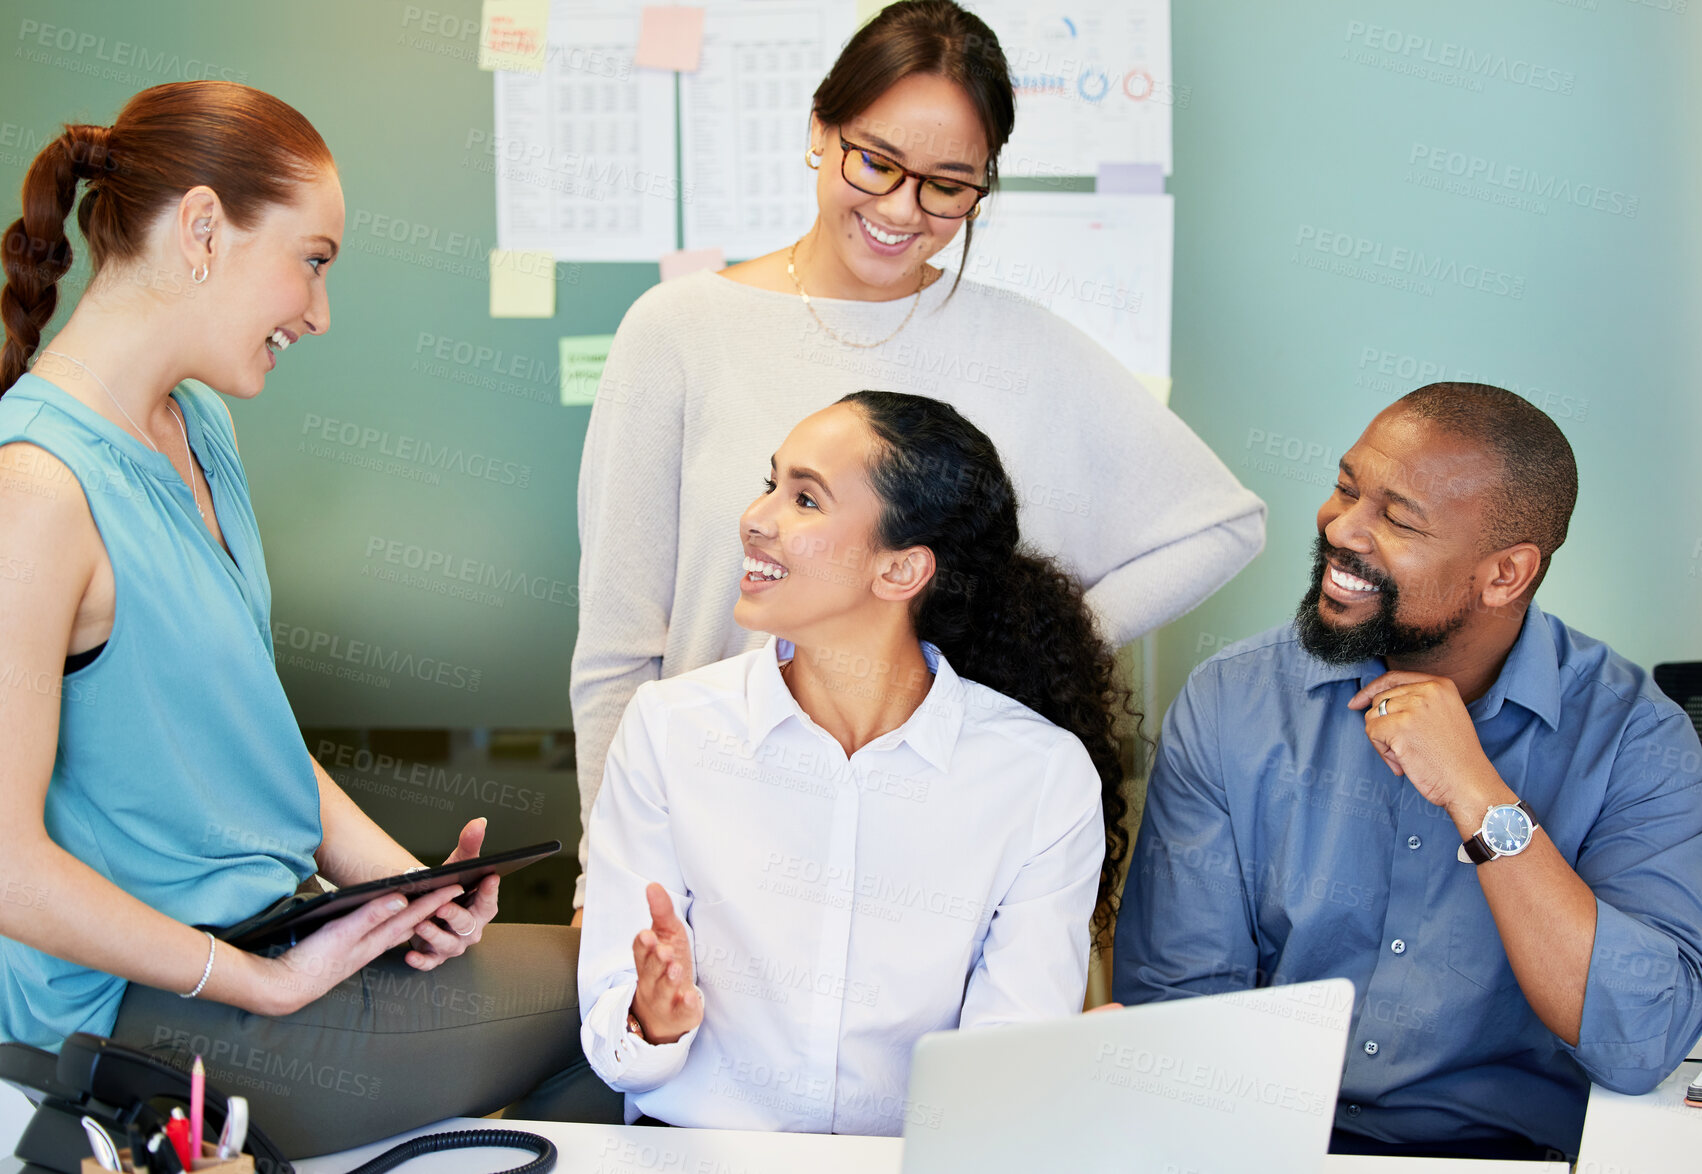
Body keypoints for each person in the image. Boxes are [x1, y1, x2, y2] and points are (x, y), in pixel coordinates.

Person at [0, 82, 606, 1157]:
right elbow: (6, 868)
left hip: (272, 938)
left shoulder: (200, 424)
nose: (320, 313)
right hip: (149, 1011)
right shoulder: (37, 493)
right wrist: (267, 984)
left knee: (626, 1016)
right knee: (616, 994)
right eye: (313, 258)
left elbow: (243, 738)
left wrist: (396, 885)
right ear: (200, 229)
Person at [569, 0, 1264, 915]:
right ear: (821, 130)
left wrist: (1020, 647)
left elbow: (1222, 524)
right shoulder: (681, 330)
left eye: (949, 184)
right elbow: (620, 651)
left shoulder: (1021, 347)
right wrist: (618, 865)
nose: (904, 210)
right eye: (878, 162)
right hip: (709, 837)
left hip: (925, 853)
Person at [1112, 383, 1702, 1160]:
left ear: (1505, 575)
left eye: (1396, 518)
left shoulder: (1636, 738)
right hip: (1266, 1147)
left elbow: (1641, 1041)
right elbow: (1179, 1008)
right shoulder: (1234, 700)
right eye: (1346, 487)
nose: (1339, 527)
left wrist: (1476, 792)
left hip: (1508, 1157)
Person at [578, 391, 1133, 1132]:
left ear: (901, 571)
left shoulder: (1040, 776)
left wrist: (1047, 1075)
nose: (757, 516)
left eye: (804, 499)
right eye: (770, 482)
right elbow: (615, 1034)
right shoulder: (669, 729)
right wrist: (652, 1018)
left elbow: (1005, 1057)